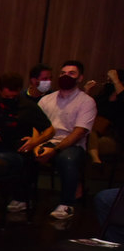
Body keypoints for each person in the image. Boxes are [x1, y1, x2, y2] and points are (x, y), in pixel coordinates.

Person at [0, 72, 53, 223]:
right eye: (6, 96)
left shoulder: (27, 107)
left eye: (13, 97)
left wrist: (35, 142)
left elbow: (50, 130)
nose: (10, 99)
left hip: (14, 153)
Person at [37, 60, 97, 220]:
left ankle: (67, 204)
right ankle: (22, 199)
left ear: (80, 78)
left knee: (67, 158)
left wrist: (55, 150)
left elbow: (79, 133)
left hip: (72, 145)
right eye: (63, 73)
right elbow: (36, 126)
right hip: (46, 141)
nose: (66, 76)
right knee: (23, 152)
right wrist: (35, 144)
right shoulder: (46, 100)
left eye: (71, 73)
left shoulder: (86, 102)